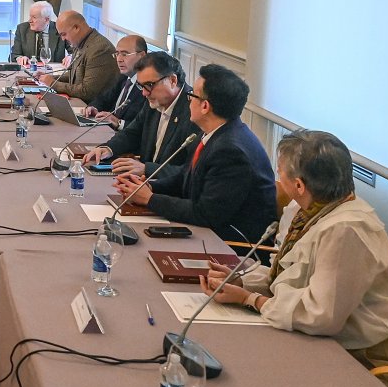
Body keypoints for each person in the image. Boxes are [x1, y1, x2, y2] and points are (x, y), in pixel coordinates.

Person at [201, 130, 388, 387]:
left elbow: (320, 316)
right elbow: (289, 275)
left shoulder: (346, 229)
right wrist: (242, 281)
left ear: (299, 185)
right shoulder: (306, 209)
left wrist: (251, 300)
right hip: (322, 341)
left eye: (280, 171)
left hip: (364, 356)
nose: (277, 178)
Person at [113, 64, 277, 250]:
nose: (187, 99)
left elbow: (206, 214)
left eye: (192, 96)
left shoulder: (231, 151)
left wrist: (150, 199)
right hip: (206, 232)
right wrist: (149, 186)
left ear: (205, 106)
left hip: (230, 247)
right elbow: (186, 177)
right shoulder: (214, 133)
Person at [83, 52, 197, 176]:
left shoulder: (194, 112)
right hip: (143, 183)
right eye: (141, 86)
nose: (144, 93)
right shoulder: (154, 101)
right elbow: (132, 133)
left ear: (173, 80)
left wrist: (146, 169)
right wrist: (108, 148)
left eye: (149, 85)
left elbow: (190, 172)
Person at [37, 10, 121, 104]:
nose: (63, 39)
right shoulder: (80, 42)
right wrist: (48, 78)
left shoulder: (99, 49)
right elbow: (75, 75)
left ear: (76, 28)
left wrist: (53, 84)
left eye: (64, 34)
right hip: (79, 102)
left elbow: (87, 91)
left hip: (92, 108)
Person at [82, 34, 148, 129]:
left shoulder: (147, 86)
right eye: (117, 54)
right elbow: (103, 98)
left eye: (125, 54)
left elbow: (145, 127)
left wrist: (119, 123)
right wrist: (93, 108)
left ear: (142, 56)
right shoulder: (123, 77)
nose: (119, 59)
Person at [10, 1, 66, 66]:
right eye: (30, 17)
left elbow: (75, 52)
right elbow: (14, 55)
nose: (30, 21)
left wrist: (70, 57)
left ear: (46, 19)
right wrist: (19, 58)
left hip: (53, 73)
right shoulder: (22, 29)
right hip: (29, 73)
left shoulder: (59, 29)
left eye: (34, 17)